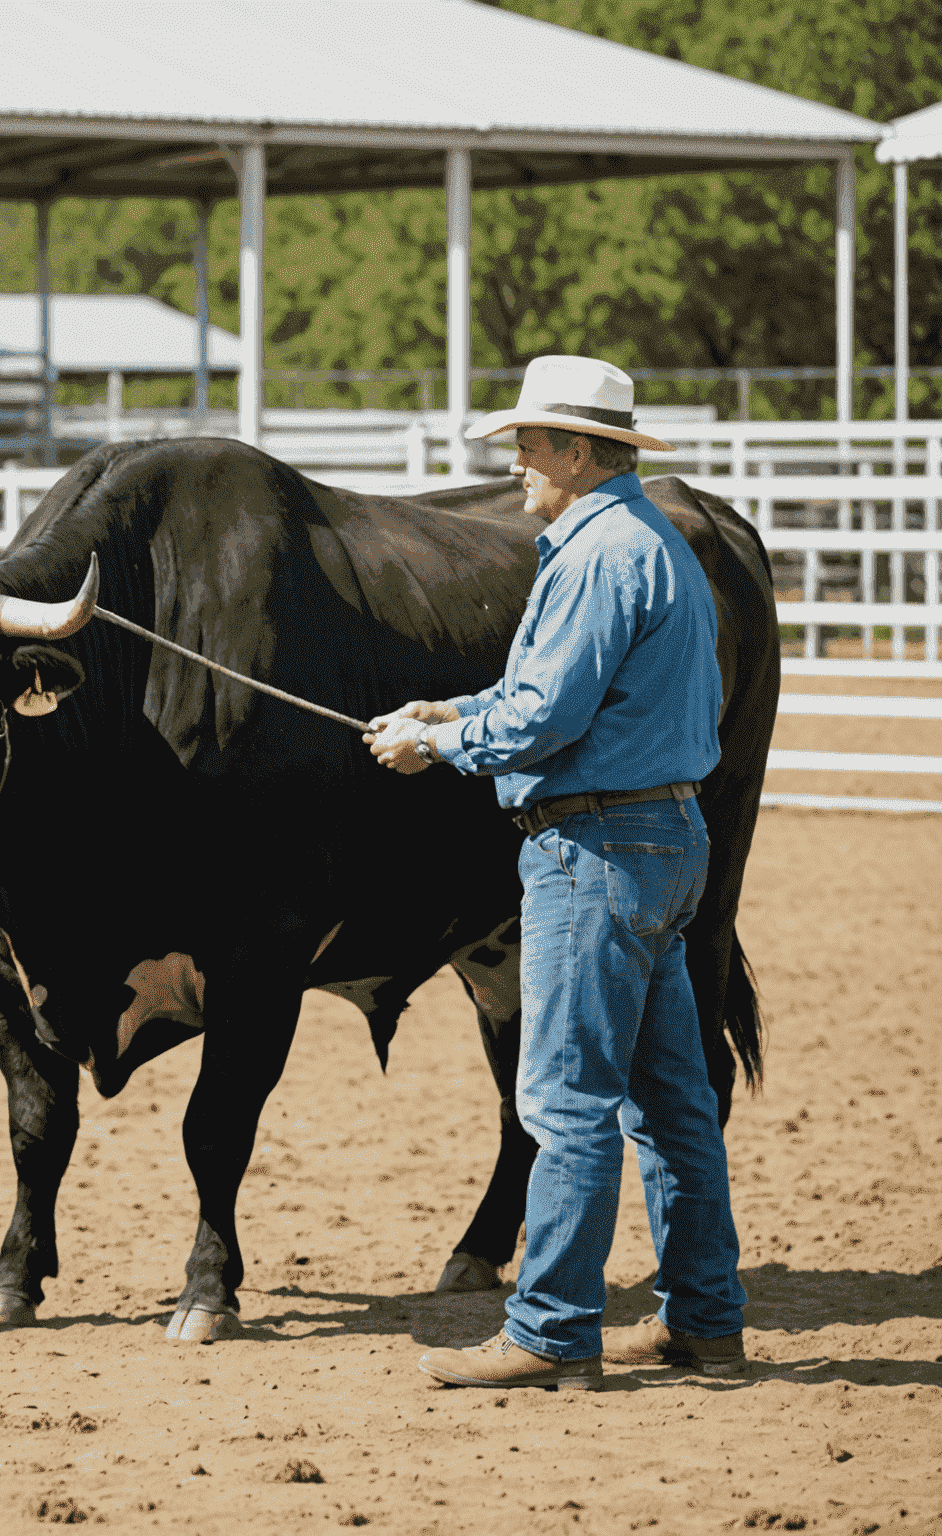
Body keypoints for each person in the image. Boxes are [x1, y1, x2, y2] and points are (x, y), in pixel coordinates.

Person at [366, 355, 747, 1389]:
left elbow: (547, 714)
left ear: (578, 452)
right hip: (666, 844)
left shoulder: (589, 556)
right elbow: (556, 687)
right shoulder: (650, 545)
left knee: (566, 1098)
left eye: (530, 444)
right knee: (670, 1103)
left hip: (594, 851)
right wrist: (454, 711)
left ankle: (551, 1330)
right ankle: (706, 1323)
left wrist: (437, 748)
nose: (517, 462)